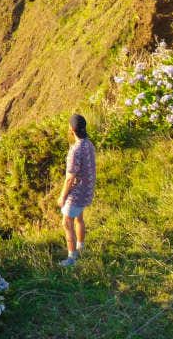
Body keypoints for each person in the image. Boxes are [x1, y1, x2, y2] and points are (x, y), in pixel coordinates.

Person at [56, 113, 96, 267]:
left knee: (67, 223)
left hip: (77, 192)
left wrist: (62, 197)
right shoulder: (89, 144)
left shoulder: (75, 150)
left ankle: (71, 259)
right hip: (88, 188)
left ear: (72, 129)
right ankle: (81, 246)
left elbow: (70, 178)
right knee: (79, 218)